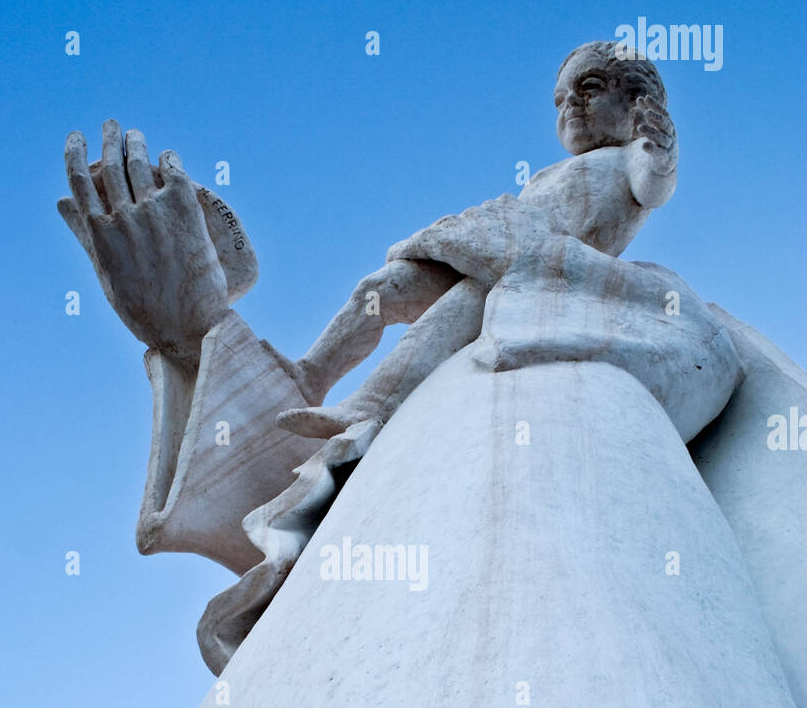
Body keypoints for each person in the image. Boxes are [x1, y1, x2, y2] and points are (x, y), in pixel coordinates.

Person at [273, 40, 677, 439]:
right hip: (497, 248)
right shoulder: (544, 175)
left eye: (589, 87)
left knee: (449, 315)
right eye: (560, 99)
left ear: (637, 101)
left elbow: (653, 186)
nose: (570, 103)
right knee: (381, 286)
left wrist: (662, 147)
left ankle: (370, 405)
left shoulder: (636, 153)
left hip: (538, 271)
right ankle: (311, 374)